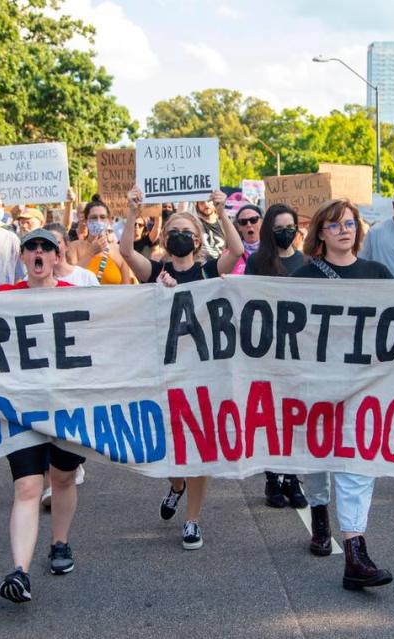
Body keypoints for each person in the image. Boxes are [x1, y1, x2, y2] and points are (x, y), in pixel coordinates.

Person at [120, 187, 242, 550]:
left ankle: (192, 519)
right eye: (173, 231)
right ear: (165, 238)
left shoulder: (207, 270)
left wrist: (221, 211)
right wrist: (132, 212)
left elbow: (236, 252)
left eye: (187, 232)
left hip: (202, 371)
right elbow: (126, 252)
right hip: (164, 371)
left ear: (198, 238)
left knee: (199, 446)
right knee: (170, 446)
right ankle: (176, 485)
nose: (180, 237)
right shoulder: (155, 270)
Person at [288, 198, 393, 590]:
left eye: (349, 223)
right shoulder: (303, 278)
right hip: (316, 384)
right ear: (320, 234)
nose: (343, 230)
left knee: (357, 464)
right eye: (334, 225)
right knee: (317, 456)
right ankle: (319, 508)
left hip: (363, 384)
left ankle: (355, 552)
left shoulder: (377, 273)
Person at [0, 228, 85, 604]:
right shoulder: (2, 297)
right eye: (30, 247)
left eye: (45, 247)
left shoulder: (74, 295)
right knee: (28, 486)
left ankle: (60, 543)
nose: (37, 252)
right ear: (22, 257)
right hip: (22, 408)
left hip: (67, 405)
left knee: (63, 478)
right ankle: (20, 571)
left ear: (56, 255)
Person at [242, 204, 308, 508]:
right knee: (272, 416)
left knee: (296, 417)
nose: (286, 232)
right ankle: (273, 480)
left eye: (290, 226)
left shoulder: (307, 263)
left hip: (300, 352)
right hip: (268, 350)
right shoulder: (257, 262)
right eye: (279, 228)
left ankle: (293, 479)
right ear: (270, 230)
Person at [75, 198, 132, 285]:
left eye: (102, 217)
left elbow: (126, 288)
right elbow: (70, 281)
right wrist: (90, 253)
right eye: (93, 218)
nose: (98, 221)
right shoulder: (74, 248)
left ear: (109, 220)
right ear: (86, 221)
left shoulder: (119, 251)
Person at [231, 204, 263, 274]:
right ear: (239, 227)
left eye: (253, 220)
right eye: (243, 222)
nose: (249, 224)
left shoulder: (273, 249)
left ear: (262, 222)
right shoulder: (231, 253)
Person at [195, 195, 228, 260]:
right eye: (202, 202)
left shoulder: (225, 224)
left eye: (209, 201)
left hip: (223, 266)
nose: (206, 204)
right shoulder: (195, 224)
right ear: (197, 205)